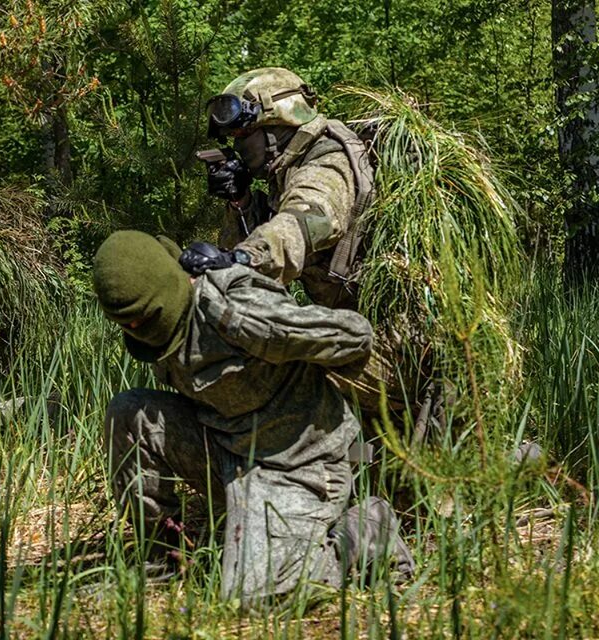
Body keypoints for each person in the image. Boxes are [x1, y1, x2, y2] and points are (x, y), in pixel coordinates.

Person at [94, 230, 413, 607]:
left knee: (257, 596)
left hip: (300, 462)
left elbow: (355, 335)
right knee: (128, 413)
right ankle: (166, 558)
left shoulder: (238, 307)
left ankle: (367, 531)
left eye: (144, 318)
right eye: (127, 323)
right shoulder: (154, 327)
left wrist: (259, 331)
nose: (137, 331)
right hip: (229, 451)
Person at [180, 67, 426, 433]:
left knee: (285, 364)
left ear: (277, 127)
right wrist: (241, 202)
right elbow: (251, 245)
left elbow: (307, 221)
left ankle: (326, 475)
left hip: (399, 353)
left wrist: (244, 258)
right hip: (357, 336)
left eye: (244, 137)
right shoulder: (285, 175)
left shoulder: (327, 163)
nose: (238, 148)